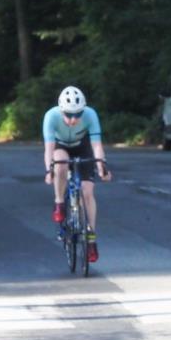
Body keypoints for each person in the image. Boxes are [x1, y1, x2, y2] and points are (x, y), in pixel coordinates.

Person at [43, 86, 112, 260]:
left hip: (83, 147)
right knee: (60, 163)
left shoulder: (90, 114)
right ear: (61, 110)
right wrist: (49, 170)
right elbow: (49, 149)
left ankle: (91, 239)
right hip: (60, 147)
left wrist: (102, 166)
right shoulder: (51, 116)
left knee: (88, 193)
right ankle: (59, 201)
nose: (73, 119)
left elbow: (96, 146)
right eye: (68, 115)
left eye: (78, 115)